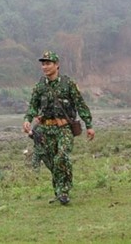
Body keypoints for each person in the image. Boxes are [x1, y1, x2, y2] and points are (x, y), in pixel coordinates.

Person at [22, 50, 95, 205]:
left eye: (48, 63)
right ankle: (58, 190)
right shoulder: (39, 86)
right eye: (43, 64)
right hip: (45, 130)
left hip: (64, 129)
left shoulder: (68, 84)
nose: (45, 67)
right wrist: (27, 119)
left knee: (62, 156)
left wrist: (89, 125)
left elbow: (80, 104)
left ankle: (64, 191)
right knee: (52, 162)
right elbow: (33, 106)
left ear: (57, 65)